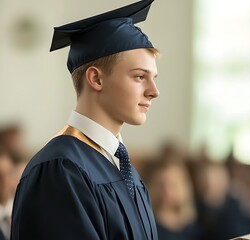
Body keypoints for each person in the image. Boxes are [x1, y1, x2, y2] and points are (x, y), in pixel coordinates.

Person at [11, 1, 160, 239]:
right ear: (96, 79)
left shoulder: (122, 167)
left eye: (153, 78)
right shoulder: (60, 170)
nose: (154, 91)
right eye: (140, 77)